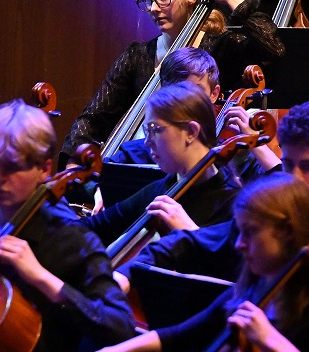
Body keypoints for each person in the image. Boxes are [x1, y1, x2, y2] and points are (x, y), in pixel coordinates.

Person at [113, 102, 309, 338]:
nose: (294, 179)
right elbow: (187, 244)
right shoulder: (267, 215)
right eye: (287, 164)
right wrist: (125, 274)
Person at [57, 174, 309, 352]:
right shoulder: (253, 289)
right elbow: (181, 336)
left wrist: (271, 340)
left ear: (288, 232)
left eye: (249, 233)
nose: (238, 245)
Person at [61, 0, 285, 165]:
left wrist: (235, 0)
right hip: (143, 160)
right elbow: (92, 118)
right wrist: (74, 163)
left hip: (206, 165)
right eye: (148, 0)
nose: (154, 8)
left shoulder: (223, 47)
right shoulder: (137, 56)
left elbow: (273, 49)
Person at [0, 99, 135, 352]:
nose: (1, 177)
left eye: (12, 166)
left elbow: (120, 324)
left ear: (45, 169)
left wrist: (42, 278)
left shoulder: (72, 238)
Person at [76, 81, 240, 249]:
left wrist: (193, 235)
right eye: (147, 131)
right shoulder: (162, 190)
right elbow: (92, 227)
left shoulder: (234, 202)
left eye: (155, 129)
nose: (147, 142)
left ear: (191, 132)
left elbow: (233, 269)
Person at [105, 46, 276, 185]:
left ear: (214, 94)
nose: (185, 102)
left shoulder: (235, 156)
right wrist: (98, 189)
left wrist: (255, 142)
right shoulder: (140, 151)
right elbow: (96, 178)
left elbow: (288, 192)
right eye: (176, 92)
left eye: (195, 91)